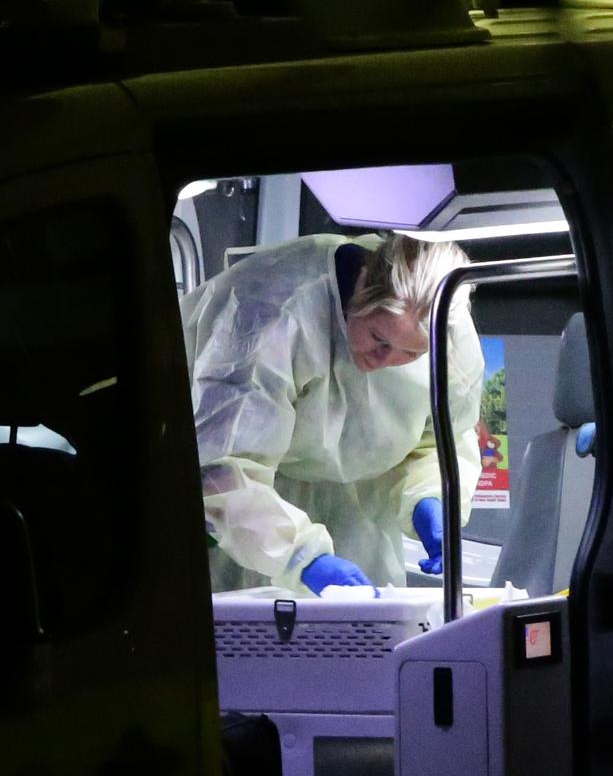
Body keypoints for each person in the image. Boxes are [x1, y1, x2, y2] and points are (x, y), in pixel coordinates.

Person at [181, 232, 484, 596]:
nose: (384, 361)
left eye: (410, 354)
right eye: (379, 339)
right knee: (251, 630)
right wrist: (300, 560)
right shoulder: (271, 310)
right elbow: (220, 470)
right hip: (250, 511)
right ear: (361, 284)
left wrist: (431, 497)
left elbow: (441, 439)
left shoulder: (446, 329)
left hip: (357, 510)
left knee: (367, 629)